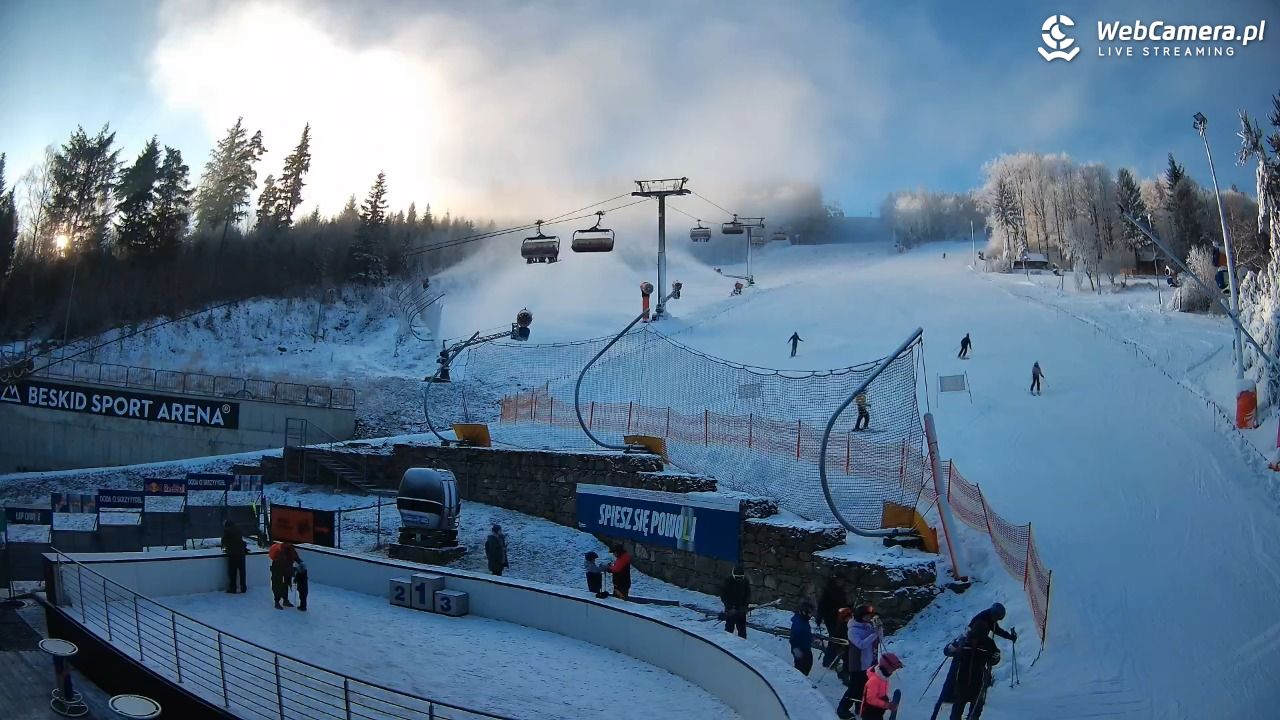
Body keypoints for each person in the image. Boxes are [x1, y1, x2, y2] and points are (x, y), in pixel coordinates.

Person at [937, 622, 1001, 720]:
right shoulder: (980, 641)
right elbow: (947, 651)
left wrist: (994, 657)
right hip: (969, 682)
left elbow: (994, 659)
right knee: (965, 710)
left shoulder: (983, 642)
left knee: (965, 709)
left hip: (971, 682)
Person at [836, 604, 884, 719]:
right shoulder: (852, 630)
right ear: (860, 616)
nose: (868, 619)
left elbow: (879, 639)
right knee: (854, 688)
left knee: (866, 688)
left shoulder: (867, 626)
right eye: (866, 616)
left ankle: (860, 707)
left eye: (869, 616)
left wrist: (879, 629)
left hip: (869, 664)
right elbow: (861, 645)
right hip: (857, 664)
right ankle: (842, 708)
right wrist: (874, 634)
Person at [816, 578, 849, 677]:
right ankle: (828, 660)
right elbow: (822, 604)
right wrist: (819, 617)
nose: (841, 582)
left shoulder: (841, 591)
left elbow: (843, 604)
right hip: (830, 618)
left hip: (840, 618)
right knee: (834, 638)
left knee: (840, 638)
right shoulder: (828, 591)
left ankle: (834, 659)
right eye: (840, 581)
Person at [860, 652, 903, 720]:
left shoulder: (883, 676)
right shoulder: (874, 680)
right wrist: (886, 705)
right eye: (892, 669)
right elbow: (870, 699)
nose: (893, 671)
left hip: (877, 711)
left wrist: (885, 700)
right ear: (886, 668)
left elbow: (880, 693)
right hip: (870, 713)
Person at [720, 566, 751, 638]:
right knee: (729, 628)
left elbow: (748, 595)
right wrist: (729, 607)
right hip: (730, 609)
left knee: (742, 629)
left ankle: (742, 644)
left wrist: (745, 606)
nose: (739, 579)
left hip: (741, 608)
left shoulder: (745, 581)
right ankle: (726, 643)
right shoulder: (727, 582)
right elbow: (724, 596)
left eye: (741, 577)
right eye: (737, 577)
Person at [268, 541, 299, 609]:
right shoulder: (280, 551)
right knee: (277, 584)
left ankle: (285, 600)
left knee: (285, 584)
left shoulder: (291, 549)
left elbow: (296, 557)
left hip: (286, 569)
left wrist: (300, 563)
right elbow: (293, 558)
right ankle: (277, 601)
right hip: (277, 569)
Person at [221, 519, 248, 594]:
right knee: (242, 572)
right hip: (241, 553)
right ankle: (243, 588)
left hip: (233, 554)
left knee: (233, 572)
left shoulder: (227, 531)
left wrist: (225, 548)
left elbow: (224, 541)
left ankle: (233, 588)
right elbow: (240, 541)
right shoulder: (238, 529)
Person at [790, 600, 815, 675]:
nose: (810, 616)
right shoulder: (798, 623)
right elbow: (794, 637)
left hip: (806, 648)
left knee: (807, 665)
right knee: (801, 669)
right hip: (800, 650)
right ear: (803, 612)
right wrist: (796, 649)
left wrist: (811, 638)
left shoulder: (803, 620)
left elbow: (805, 633)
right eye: (809, 613)